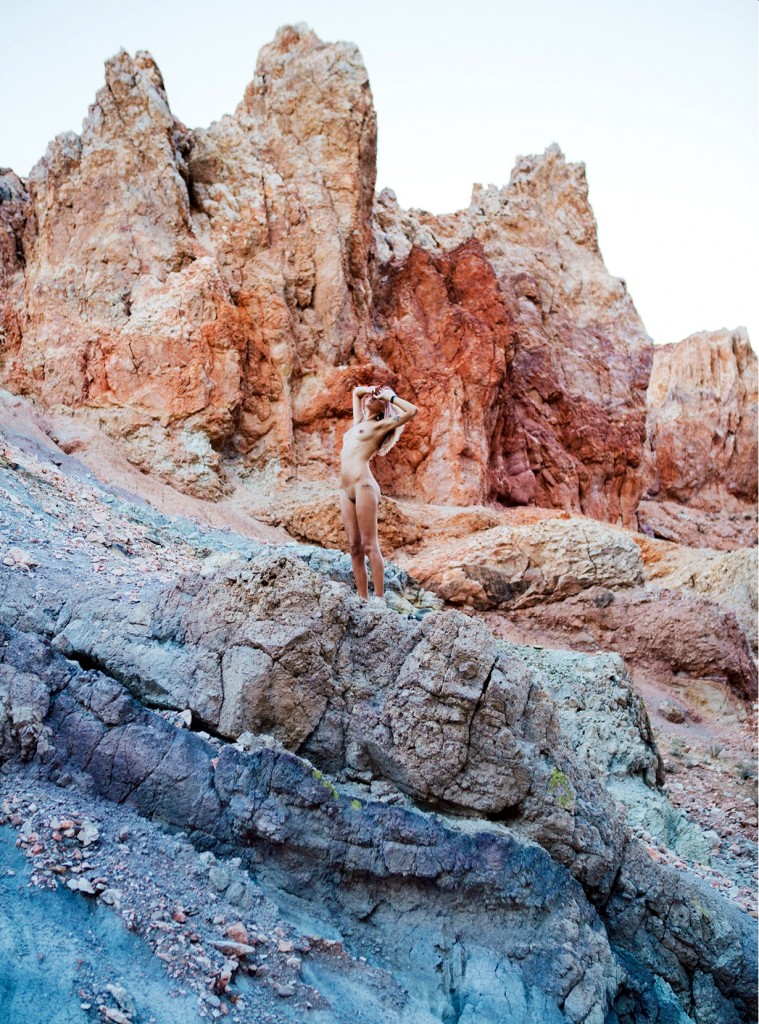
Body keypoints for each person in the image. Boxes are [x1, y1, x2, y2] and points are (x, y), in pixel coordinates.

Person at [339, 384, 418, 601]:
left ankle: (379, 600)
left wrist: (390, 397)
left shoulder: (381, 425)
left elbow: (412, 411)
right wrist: (371, 389)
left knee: (368, 544)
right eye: (374, 396)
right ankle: (363, 599)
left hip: (363, 486)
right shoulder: (358, 423)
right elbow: (356, 392)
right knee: (354, 547)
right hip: (345, 489)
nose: (373, 397)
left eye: (378, 398)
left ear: (385, 409)